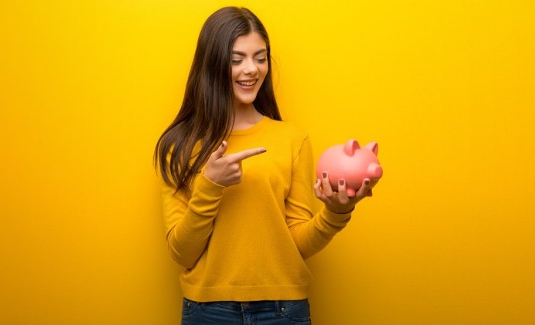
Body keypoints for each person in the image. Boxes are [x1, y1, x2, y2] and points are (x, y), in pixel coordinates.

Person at [154, 7, 378, 324]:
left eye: (260, 58)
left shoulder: (292, 139)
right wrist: (210, 185)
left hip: (283, 311)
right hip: (208, 312)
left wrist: (337, 212)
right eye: (237, 59)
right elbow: (182, 253)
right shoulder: (179, 147)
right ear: (213, 64)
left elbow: (297, 242)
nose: (252, 69)